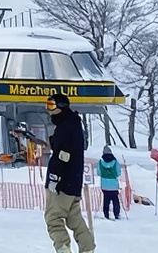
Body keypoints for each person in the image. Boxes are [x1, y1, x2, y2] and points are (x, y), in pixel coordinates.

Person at [44, 93, 96, 253]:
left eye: (51, 106)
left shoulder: (66, 126)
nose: (49, 110)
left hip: (63, 182)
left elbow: (63, 155)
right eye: (47, 105)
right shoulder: (72, 124)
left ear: (61, 107)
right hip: (73, 181)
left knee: (53, 218)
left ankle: (63, 248)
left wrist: (54, 177)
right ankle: (87, 248)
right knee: (74, 217)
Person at [97, 145, 122, 220]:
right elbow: (118, 172)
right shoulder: (115, 162)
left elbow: (99, 172)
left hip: (104, 185)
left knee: (106, 200)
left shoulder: (100, 162)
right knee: (115, 200)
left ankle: (106, 214)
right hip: (114, 185)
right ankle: (116, 214)